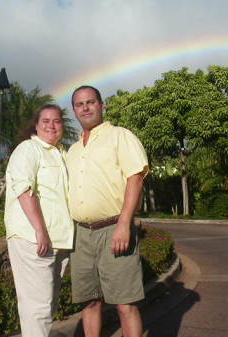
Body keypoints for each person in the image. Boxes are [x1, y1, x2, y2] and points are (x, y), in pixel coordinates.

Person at [66, 85, 149, 337]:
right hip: (81, 236)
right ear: (74, 110)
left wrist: (124, 224)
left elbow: (135, 178)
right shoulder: (73, 149)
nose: (85, 108)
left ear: (101, 105)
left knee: (125, 304)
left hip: (113, 227)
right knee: (90, 302)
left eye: (91, 102)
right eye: (80, 104)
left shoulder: (120, 136)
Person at [4, 104, 74, 337]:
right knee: (39, 306)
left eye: (56, 121)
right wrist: (40, 230)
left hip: (59, 240)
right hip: (34, 238)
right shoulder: (28, 149)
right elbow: (24, 190)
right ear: (36, 125)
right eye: (46, 120)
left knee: (48, 303)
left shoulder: (62, 153)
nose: (51, 125)